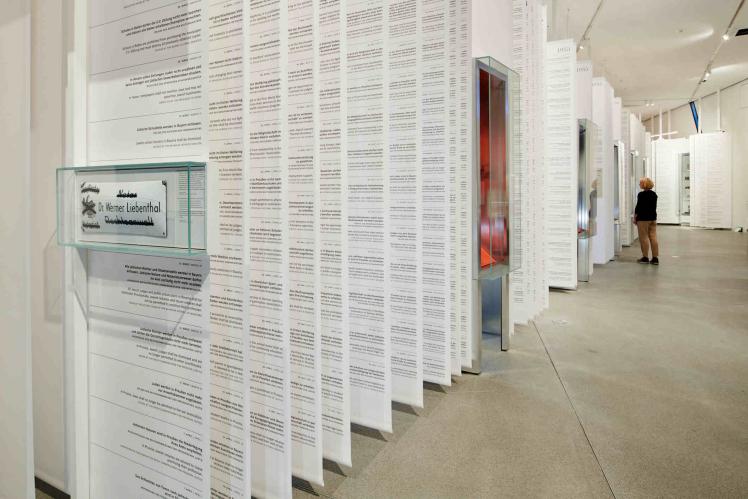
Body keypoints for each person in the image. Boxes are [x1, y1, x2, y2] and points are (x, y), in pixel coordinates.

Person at [634, 177, 658, 265]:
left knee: (643, 238)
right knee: (653, 237)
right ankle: (655, 258)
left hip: (643, 219)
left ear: (644, 184)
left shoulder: (641, 195)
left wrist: (635, 217)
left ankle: (645, 257)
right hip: (652, 218)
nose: (639, 184)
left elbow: (638, 207)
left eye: (640, 183)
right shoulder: (654, 194)